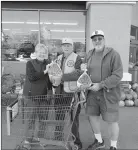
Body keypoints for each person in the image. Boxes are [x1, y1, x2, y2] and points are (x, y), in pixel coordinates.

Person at [84, 30, 123, 150]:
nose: (97, 41)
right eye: (94, 39)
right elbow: (86, 72)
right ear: (92, 41)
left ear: (104, 40)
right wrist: (84, 81)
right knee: (93, 117)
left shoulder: (113, 54)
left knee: (112, 120)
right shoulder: (89, 54)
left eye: (99, 38)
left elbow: (117, 75)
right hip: (92, 93)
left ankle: (113, 146)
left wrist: (101, 85)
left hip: (108, 94)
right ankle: (99, 141)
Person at [53, 38, 83, 150]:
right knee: (59, 117)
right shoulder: (58, 58)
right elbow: (54, 72)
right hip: (59, 93)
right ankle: (58, 138)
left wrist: (62, 77)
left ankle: (77, 143)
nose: (66, 47)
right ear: (61, 47)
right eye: (64, 45)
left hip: (72, 93)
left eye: (68, 45)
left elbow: (78, 73)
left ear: (72, 47)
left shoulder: (77, 58)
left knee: (73, 119)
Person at [22, 43, 52, 148]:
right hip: (31, 96)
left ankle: (41, 137)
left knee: (43, 118)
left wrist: (52, 87)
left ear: (46, 54)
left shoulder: (49, 63)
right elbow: (32, 77)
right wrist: (45, 71)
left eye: (44, 53)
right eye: (40, 52)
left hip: (43, 96)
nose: (42, 54)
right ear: (36, 53)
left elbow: (49, 80)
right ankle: (28, 140)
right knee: (31, 118)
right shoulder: (29, 63)